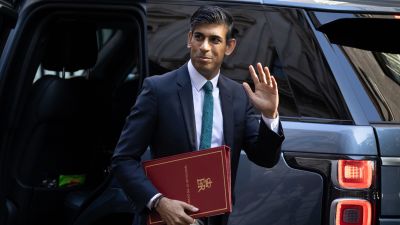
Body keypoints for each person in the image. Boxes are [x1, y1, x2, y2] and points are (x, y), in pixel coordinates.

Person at [112, 5, 285, 225]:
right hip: (166, 218)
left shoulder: (239, 97)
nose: (204, 47)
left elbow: (265, 157)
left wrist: (270, 115)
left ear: (229, 46)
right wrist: (158, 202)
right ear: (189, 39)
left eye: (214, 40)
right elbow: (123, 159)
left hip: (216, 217)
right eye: (199, 37)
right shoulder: (158, 90)